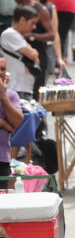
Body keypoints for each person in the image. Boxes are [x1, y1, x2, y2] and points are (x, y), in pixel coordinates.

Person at [1, 6, 39, 99]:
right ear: (22, 20)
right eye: (32, 23)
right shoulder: (10, 34)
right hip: (16, 88)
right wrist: (33, 51)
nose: (34, 27)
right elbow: (33, 55)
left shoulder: (17, 35)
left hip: (22, 87)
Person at [0, 57, 22, 190]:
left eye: (2, 69)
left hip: (2, 160)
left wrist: (3, 96)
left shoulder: (11, 96)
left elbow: (17, 121)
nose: (1, 73)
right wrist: (3, 123)